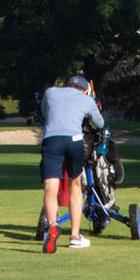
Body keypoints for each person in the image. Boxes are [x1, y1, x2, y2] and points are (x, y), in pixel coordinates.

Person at [39, 74, 105, 254]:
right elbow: (99, 123)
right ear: (85, 90)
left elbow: (45, 113)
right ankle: (75, 236)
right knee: (75, 185)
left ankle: (52, 226)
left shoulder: (51, 92)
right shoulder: (85, 99)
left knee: (50, 187)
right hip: (74, 140)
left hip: (51, 140)